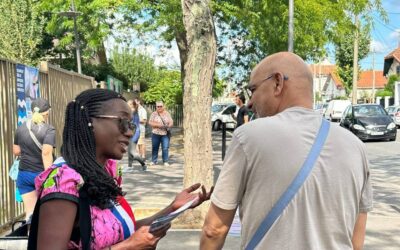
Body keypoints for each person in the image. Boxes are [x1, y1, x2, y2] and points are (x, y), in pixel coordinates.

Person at [200, 52, 372, 250]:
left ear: (277, 83)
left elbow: (214, 230)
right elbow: (356, 239)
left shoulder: (248, 138)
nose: (249, 102)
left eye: (253, 89)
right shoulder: (355, 146)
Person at [28, 89, 212, 249]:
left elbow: (124, 229)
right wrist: (129, 247)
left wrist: (172, 208)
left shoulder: (103, 173)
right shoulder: (64, 181)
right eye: (123, 122)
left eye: (131, 124)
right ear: (89, 122)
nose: (130, 132)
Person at [13, 98, 55, 222]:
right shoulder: (49, 129)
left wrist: (28, 149)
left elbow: (16, 151)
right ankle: (44, 239)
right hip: (41, 174)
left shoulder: (20, 128)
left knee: (30, 213)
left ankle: (30, 236)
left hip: (24, 174)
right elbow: (46, 153)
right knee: (46, 213)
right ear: (47, 113)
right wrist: (49, 177)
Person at [148, 101, 173, 166]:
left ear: (163, 106)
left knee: (165, 147)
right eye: (158, 106)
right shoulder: (154, 114)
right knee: (155, 147)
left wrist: (169, 126)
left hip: (165, 134)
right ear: (156, 107)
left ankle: (165, 161)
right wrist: (159, 125)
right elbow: (150, 122)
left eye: (160, 106)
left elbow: (171, 121)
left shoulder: (167, 113)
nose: (159, 108)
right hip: (155, 133)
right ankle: (154, 161)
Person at [127, 100, 146, 171]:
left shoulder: (132, 111)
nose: (127, 104)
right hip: (132, 133)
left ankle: (143, 164)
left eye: (128, 103)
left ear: (132, 105)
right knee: (129, 151)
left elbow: (132, 124)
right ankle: (129, 166)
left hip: (134, 133)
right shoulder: (132, 111)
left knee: (132, 152)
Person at [135, 97, 147, 161]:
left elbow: (144, 121)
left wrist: (136, 120)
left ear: (139, 102)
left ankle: (143, 156)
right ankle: (138, 155)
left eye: (135, 102)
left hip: (141, 129)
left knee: (141, 143)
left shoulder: (143, 110)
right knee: (136, 143)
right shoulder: (135, 110)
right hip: (135, 129)